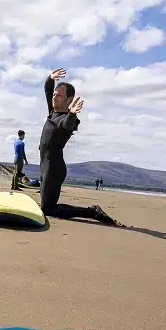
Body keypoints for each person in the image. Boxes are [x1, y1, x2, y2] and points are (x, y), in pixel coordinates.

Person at [38, 68, 120, 225]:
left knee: (49, 209)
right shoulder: (52, 112)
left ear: (69, 100)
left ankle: (92, 212)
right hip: (45, 166)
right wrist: (50, 78)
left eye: (59, 96)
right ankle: (90, 211)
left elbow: (67, 124)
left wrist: (72, 114)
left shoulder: (64, 118)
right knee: (46, 206)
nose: (54, 98)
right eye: (55, 95)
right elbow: (48, 89)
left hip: (53, 169)